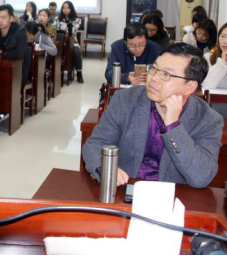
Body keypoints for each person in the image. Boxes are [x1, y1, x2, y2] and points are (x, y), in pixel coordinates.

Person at [84, 43, 223, 189]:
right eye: (154, 69)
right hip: (124, 189)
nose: (154, 78)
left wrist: (173, 126)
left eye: (166, 74)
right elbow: (95, 144)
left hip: (173, 196)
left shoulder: (208, 120)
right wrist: (105, 169)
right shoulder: (125, 100)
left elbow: (201, 177)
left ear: (190, 87)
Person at [0, 5, 30, 86]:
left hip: (16, 70)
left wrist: (0, 54)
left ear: (11, 18)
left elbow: (19, 53)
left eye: (3, 17)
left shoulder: (20, 32)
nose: (0, 21)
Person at [56, 1, 84, 84]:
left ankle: (79, 73)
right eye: (63, 8)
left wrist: (66, 26)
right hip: (61, 42)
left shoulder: (77, 19)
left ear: (71, 9)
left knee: (76, 51)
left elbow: (72, 31)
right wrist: (66, 27)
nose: (65, 10)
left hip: (73, 42)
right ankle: (57, 73)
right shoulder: (57, 19)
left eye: (67, 8)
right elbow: (58, 31)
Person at [202, 23, 227, 90]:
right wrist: (222, 63)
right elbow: (206, 86)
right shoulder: (208, 57)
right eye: (223, 36)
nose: (225, 41)